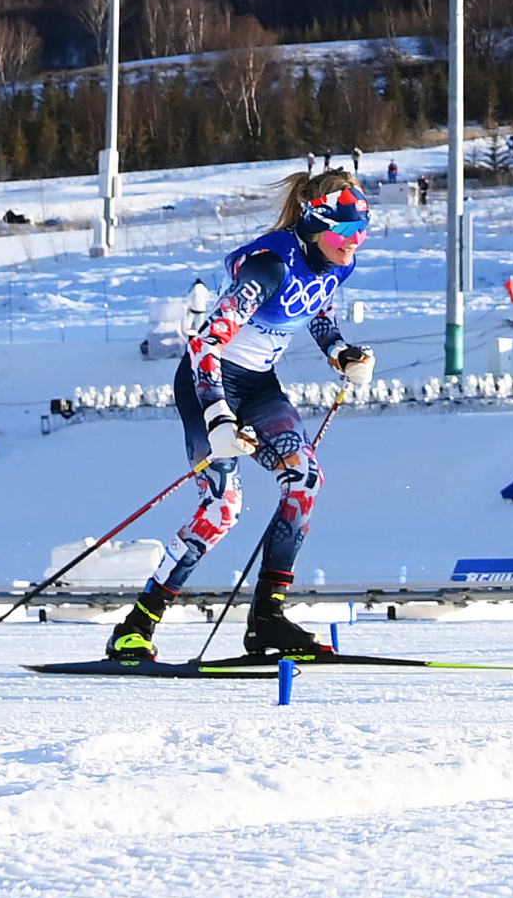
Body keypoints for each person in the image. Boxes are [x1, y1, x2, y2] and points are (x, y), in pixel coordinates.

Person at [105, 171, 378, 667]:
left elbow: (317, 310)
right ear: (316, 225)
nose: (352, 245)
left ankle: (268, 618)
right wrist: (217, 420)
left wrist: (341, 351)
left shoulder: (336, 264)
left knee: (305, 480)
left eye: (361, 234)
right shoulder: (268, 268)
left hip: (257, 384)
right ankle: (138, 624)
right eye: (344, 234)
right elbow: (204, 344)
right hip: (207, 383)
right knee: (222, 510)